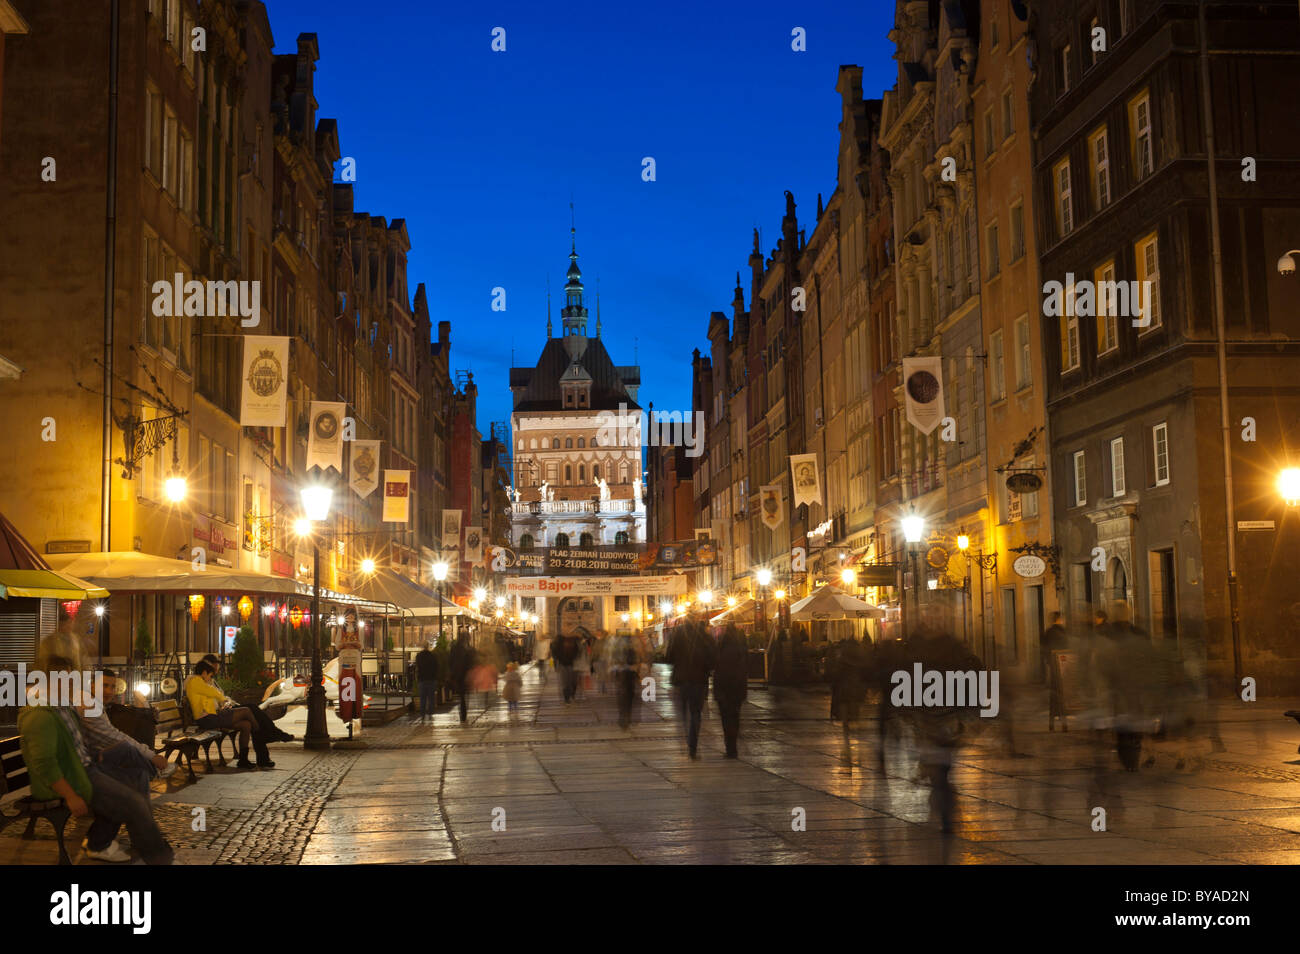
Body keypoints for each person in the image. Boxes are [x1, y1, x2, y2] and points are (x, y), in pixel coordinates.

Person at [19, 633, 174, 864]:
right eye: (68, 678)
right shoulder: (42, 713)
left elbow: (80, 740)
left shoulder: (62, 705)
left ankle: (107, 842)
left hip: (85, 767)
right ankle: (158, 857)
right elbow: (45, 763)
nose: (73, 682)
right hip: (76, 777)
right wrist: (70, 795)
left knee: (135, 776)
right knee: (133, 801)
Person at [184, 661, 266, 769]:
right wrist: (225, 699)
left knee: (246, 725)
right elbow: (213, 692)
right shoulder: (195, 681)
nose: (210, 678)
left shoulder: (198, 682)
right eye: (210, 675)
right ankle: (261, 734)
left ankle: (243, 760)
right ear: (204, 672)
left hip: (211, 716)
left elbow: (210, 696)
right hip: (207, 719)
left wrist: (223, 703)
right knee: (246, 710)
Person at [201, 654, 293, 744]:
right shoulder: (201, 682)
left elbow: (222, 697)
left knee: (251, 716)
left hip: (226, 709)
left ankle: (272, 735)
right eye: (215, 664)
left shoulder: (211, 681)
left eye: (217, 664)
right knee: (250, 710)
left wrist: (229, 702)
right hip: (217, 714)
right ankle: (273, 734)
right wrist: (224, 704)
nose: (217, 667)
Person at [666, 620, 716, 759]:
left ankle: (686, 739)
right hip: (699, 680)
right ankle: (692, 745)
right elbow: (712, 659)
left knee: (682, 712)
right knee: (695, 713)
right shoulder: (704, 636)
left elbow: (668, 657)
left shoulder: (678, 635)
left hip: (681, 680)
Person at [713, 625, 748, 758]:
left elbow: (716, 670)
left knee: (726, 720)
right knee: (735, 717)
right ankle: (733, 748)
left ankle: (730, 748)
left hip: (723, 691)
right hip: (737, 690)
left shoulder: (720, 650)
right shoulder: (741, 650)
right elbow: (745, 669)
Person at [833, 635, 870, 753]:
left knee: (845, 707)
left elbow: (836, 674)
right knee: (854, 706)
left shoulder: (842, 659)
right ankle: (855, 725)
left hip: (844, 688)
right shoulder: (859, 658)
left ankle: (846, 730)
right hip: (854, 687)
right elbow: (865, 672)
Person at [608, 631, 639, 729]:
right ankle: (627, 716)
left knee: (622, 695)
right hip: (629, 673)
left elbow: (612, 660)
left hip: (621, 673)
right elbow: (636, 660)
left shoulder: (616, 647)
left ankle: (623, 716)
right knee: (629, 695)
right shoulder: (632, 647)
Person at [449, 633, 473, 724]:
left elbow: (450, 661)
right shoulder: (465, 649)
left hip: (457, 675)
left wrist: (452, 673)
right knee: (464, 696)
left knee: (461, 696)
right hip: (464, 675)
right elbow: (469, 662)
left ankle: (462, 714)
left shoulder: (454, 648)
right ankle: (463, 714)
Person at [551, 631, 582, 703]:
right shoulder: (558, 642)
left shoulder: (575, 641)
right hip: (565, 664)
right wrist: (559, 659)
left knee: (571, 681)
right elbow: (554, 652)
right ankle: (567, 697)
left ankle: (570, 695)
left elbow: (578, 652)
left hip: (571, 664)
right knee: (566, 682)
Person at [414, 642, 439, 723]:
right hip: (431, 679)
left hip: (422, 679)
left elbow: (417, 666)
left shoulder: (419, 656)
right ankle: (430, 714)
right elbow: (436, 667)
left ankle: (422, 715)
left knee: (422, 698)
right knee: (431, 698)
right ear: (428, 647)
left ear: (423, 647)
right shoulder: (433, 656)